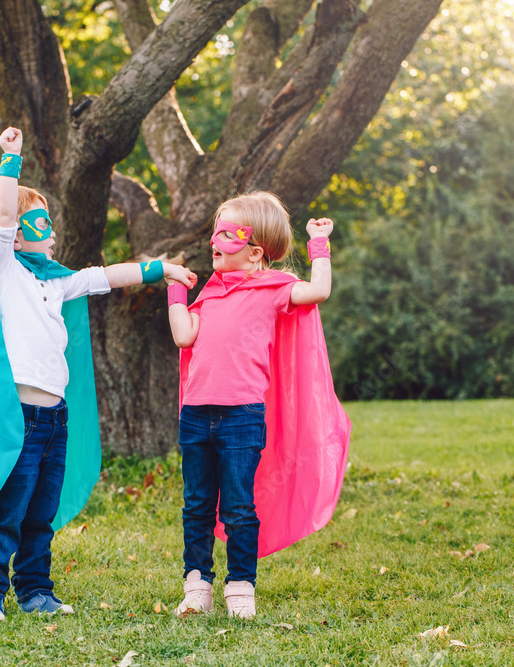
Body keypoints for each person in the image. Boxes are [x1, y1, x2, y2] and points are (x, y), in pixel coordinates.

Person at [0, 127, 196, 622]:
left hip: (55, 420)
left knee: (40, 515)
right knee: (6, 511)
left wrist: (163, 270)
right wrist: (10, 160)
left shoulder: (57, 281)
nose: (50, 229)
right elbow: (3, 218)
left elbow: (106, 276)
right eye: (40, 221)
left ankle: (35, 591)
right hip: (20, 420)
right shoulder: (3, 268)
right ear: (16, 233)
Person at [166, 191, 351, 619]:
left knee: (237, 506)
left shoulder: (274, 289)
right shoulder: (209, 294)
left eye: (227, 234)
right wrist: (177, 294)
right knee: (196, 503)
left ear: (254, 253)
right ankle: (197, 586)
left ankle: (240, 588)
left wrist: (319, 243)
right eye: (215, 233)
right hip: (195, 415)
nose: (214, 241)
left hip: (241, 417)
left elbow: (319, 289)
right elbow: (183, 337)